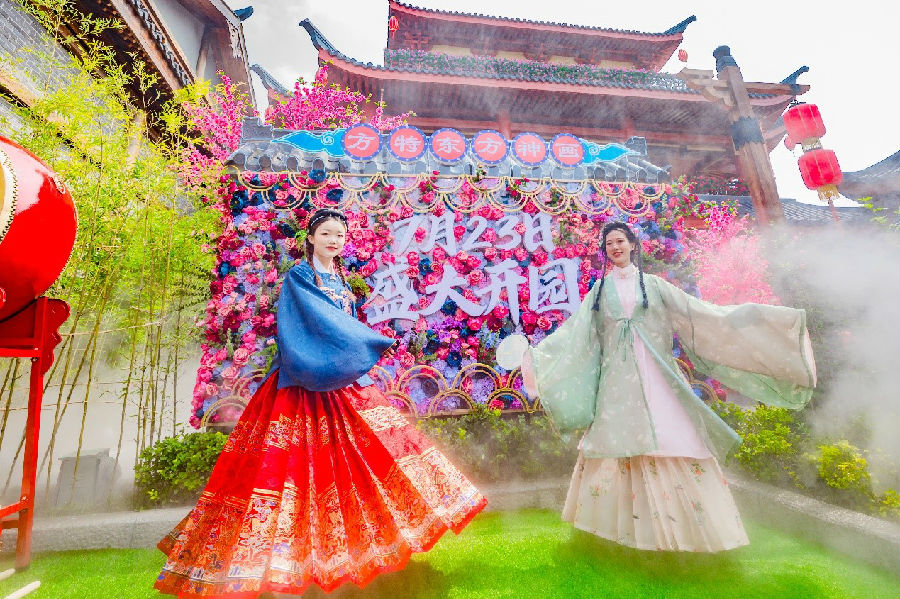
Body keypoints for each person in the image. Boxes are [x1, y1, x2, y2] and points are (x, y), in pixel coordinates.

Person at [155, 208, 487, 598]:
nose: (334, 241)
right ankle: (283, 562)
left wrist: (357, 347)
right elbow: (316, 323)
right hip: (301, 384)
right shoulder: (300, 276)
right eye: (326, 234)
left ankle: (362, 553)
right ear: (310, 238)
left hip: (343, 385)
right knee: (290, 473)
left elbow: (344, 329)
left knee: (368, 460)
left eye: (340, 235)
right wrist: (369, 341)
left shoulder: (342, 282)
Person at [520, 221, 816, 552]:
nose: (615, 247)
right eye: (609, 244)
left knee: (671, 437)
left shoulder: (655, 286)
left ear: (633, 245)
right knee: (617, 442)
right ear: (605, 251)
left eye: (620, 241)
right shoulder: (599, 292)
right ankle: (619, 532)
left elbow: (698, 313)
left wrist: (749, 317)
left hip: (658, 376)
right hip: (617, 385)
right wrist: (538, 358)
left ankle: (687, 533)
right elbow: (576, 334)